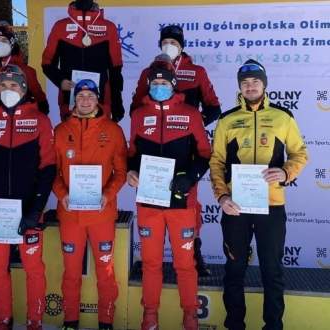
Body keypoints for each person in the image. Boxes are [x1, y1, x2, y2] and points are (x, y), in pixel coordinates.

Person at [209, 59, 308, 330]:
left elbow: (300, 153)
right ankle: (235, 325)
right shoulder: (227, 119)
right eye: (245, 82)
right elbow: (216, 162)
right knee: (234, 271)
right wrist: (221, 197)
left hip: (271, 207)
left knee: (272, 272)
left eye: (255, 81)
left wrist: (286, 173)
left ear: (264, 84)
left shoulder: (282, 116)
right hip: (235, 208)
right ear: (240, 87)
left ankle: (273, 326)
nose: (250, 86)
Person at [127, 59, 211, 330]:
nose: (159, 87)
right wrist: (131, 171)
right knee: (151, 263)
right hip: (149, 202)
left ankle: (190, 315)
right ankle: (149, 316)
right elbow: (131, 154)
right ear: (148, 85)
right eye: (155, 83)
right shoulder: (138, 115)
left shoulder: (191, 114)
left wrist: (191, 177)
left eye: (164, 83)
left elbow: (205, 155)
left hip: (181, 203)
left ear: (173, 85)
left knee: (185, 264)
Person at [131, 25, 222, 276]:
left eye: (174, 41)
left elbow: (214, 107)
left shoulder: (196, 72)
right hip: (155, 151)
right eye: (165, 41)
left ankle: (195, 253)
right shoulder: (148, 73)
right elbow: (136, 106)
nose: (169, 45)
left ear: (182, 45)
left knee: (190, 205)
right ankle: (152, 261)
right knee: (154, 209)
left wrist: (192, 124)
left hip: (187, 150)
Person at [0, 65, 56, 330]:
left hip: (29, 209)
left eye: (14, 86)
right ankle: (3, 319)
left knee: (34, 268)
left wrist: (35, 210)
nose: (9, 91)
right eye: (4, 86)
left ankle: (35, 320)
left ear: (24, 88)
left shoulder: (40, 120)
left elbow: (48, 168)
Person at [52, 79, 127, 330]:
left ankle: (106, 321)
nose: (85, 100)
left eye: (90, 95)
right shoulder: (60, 131)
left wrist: (109, 194)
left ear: (98, 100)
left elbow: (121, 171)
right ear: (75, 100)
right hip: (70, 213)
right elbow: (51, 171)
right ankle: (70, 321)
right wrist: (61, 193)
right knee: (71, 272)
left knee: (105, 271)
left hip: (101, 213)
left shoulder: (113, 130)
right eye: (80, 95)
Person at [42, 0, 124, 122]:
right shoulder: (60, 27)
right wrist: (60, 81)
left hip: (101, 100)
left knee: (100, 140)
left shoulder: (109, 27)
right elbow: (47, 63)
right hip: (69, 99)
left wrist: (117, 102)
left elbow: (115, 69)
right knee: (71, 139)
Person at [0, 24, 49, 114]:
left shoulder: (26, 71)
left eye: (4, 40)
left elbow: (40, 100)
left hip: (18, 121)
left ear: (11, 44)